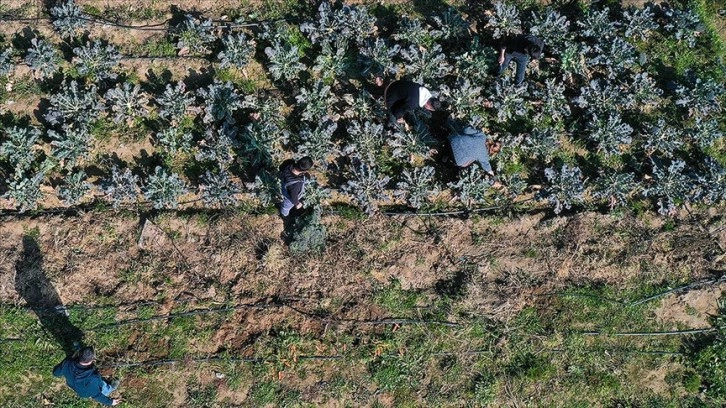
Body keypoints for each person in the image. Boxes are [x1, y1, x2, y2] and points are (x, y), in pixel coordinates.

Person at [52, 346, 121, 406]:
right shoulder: (92, 378)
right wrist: (110, 402)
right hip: (84, 393)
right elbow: (96, 395)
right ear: (92, 360)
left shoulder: (67, 363)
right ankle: (111, 388)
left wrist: (67, 360)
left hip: (72, 384)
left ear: (78, 354)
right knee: (102, 386)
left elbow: (56, 373)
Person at [448, 120, 503, 188]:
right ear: (493, 152)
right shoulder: (484, 156)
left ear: (493, 141)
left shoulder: (483, 136)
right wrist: (493, 178)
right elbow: (488, 169)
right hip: (456, 158)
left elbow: (466, 130)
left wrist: (470, 127)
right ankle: (447, 162)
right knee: (469, 163)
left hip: (452, 141)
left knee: (460, 133)